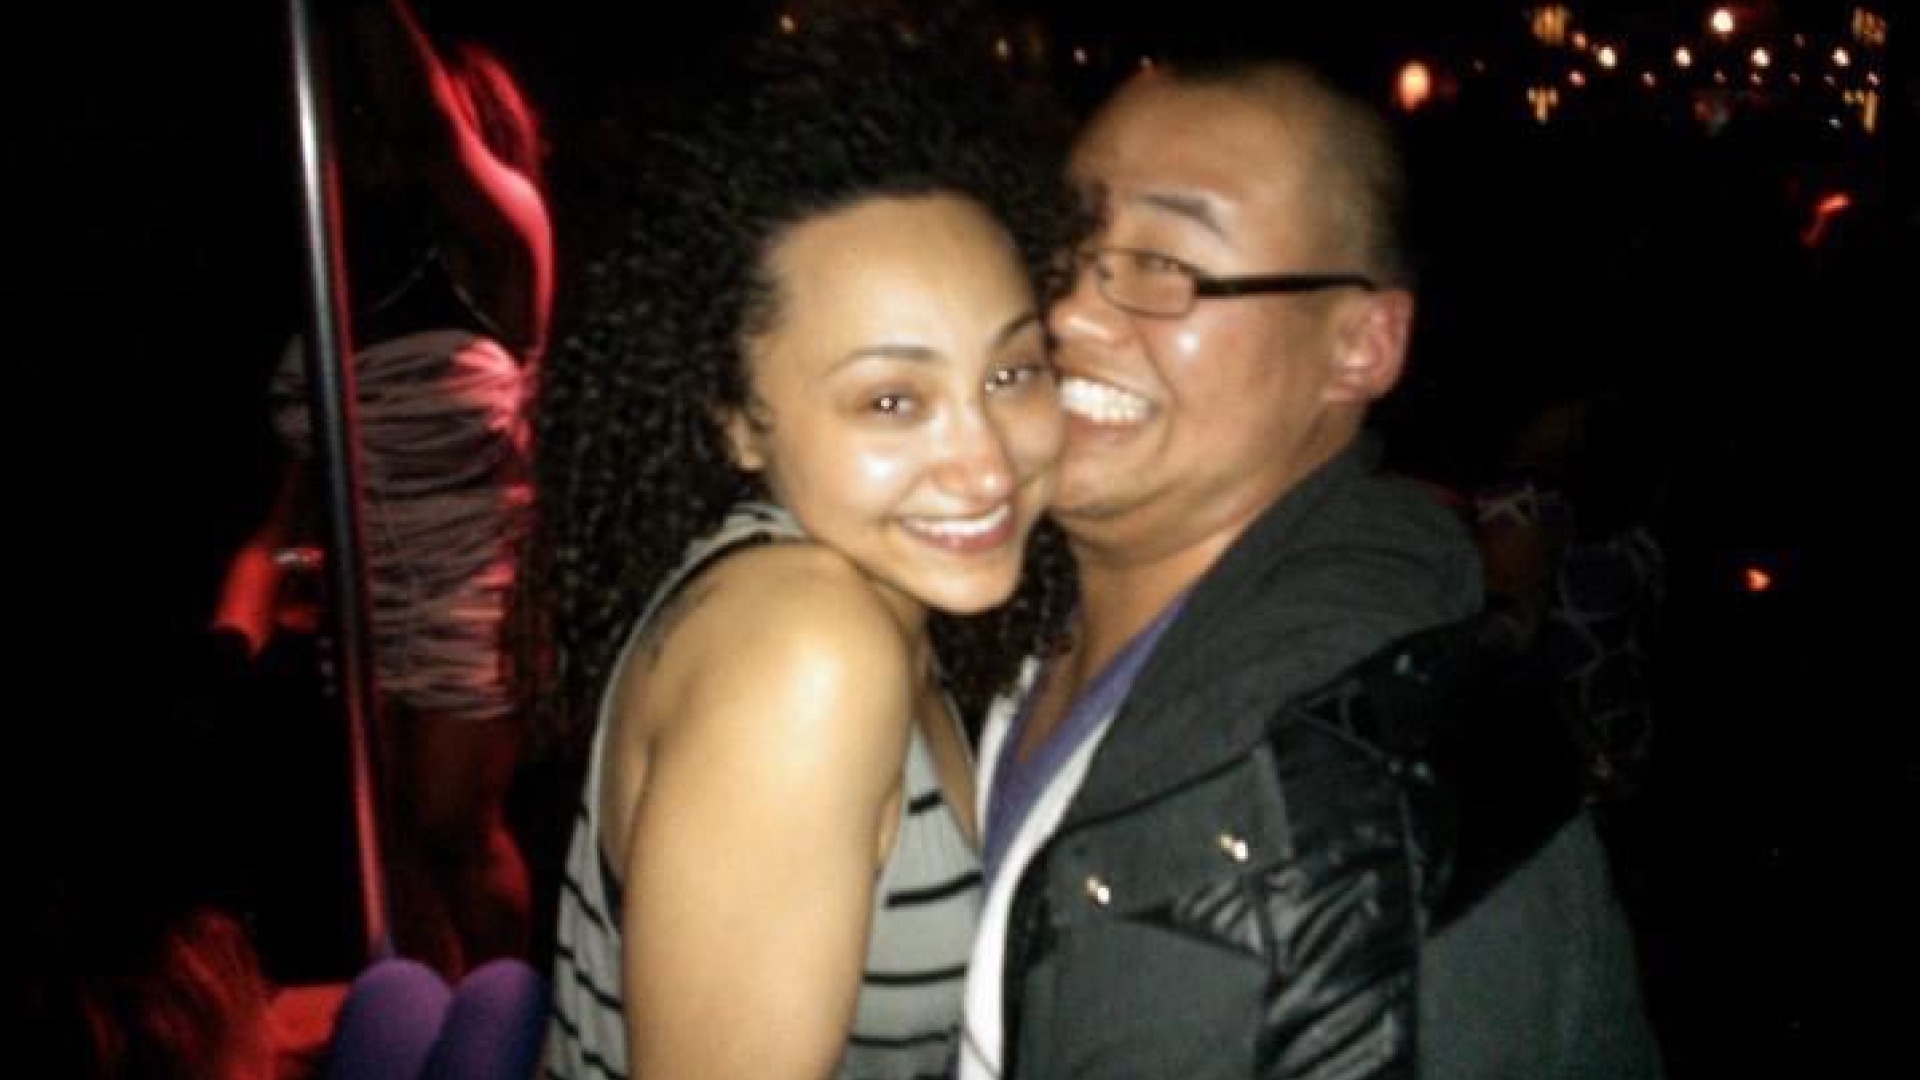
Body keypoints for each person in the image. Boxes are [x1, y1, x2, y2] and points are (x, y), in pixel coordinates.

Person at [961, 56, 1662, 1080]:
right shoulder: (998, 606)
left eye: (1165, 262)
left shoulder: (1320, 801)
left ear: (1361, 344)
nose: (1068, 311)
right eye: (1063, 242)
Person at [516, 11, 1076, 1080]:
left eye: (1011, 373)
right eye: (892, 399)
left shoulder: (859, 600)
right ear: (737, 420)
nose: (986, 464)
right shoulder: (805, 650)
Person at [212, 0, 552, 976]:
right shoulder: (339, 289)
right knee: (387, 840)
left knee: (453, 825)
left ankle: (514, 1020)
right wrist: (243, 622)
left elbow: (427, 129)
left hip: (473, 599)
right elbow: (286, 515)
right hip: (365, 614)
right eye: (357, 119)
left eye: (381, 115)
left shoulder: (501, 254)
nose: (370, 136)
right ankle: (443, 1019)